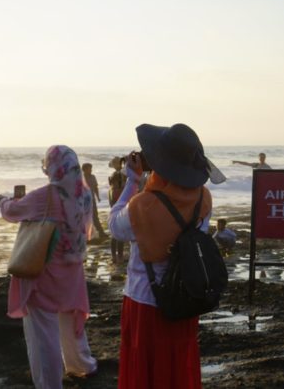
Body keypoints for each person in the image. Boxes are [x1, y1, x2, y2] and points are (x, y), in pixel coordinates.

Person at [108, 123, 226, 388]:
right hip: (185, 296)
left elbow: (114, 225)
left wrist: (132, 181)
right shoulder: (202, 198)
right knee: (178, 368)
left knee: (146, 370)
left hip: (146, 301)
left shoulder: (143, 204)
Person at [0, 145, 97, 389]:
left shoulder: (47, 195)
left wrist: (2, 200)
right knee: (70, 323)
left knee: (44, 336)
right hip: (73, 273)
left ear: (52, 168)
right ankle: (81, 364)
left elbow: (12, 212)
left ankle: (49, 384)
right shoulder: (83, 193)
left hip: (46, 274)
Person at [108, 157, 128, 264]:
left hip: (114, 214)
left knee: (114, 236)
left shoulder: (112, 190)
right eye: (122, 180)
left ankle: (115, 256)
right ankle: (118, 256)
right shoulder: (118, 190)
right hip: (119, 214)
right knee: (118, 236)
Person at [82, 163, 108, 241]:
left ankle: (101, 232)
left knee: (95, 216)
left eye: (91, 169)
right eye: (89, 169)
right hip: (83, 201)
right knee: (85, 218)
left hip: (92, 199)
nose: (90, 170)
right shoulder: (81, 178)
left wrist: (98, 197)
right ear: (84, 170)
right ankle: (85, 236)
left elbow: (96, 187)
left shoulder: (93, 177)